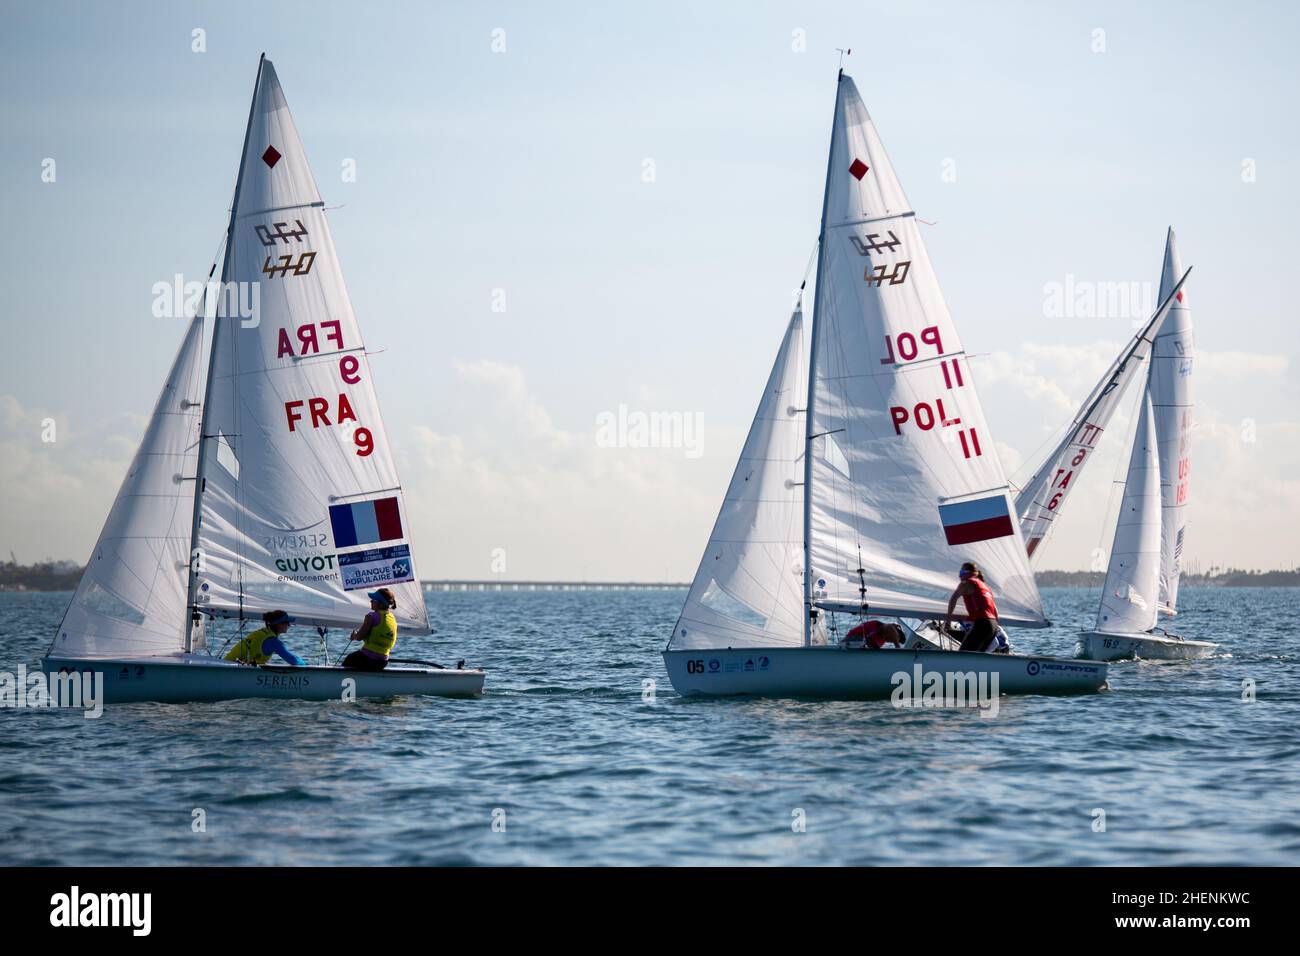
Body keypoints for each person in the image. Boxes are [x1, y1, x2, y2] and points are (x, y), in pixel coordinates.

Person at [943, 561, 999, 652]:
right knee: (977, 657)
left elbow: (953, 599)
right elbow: (994, 609)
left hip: (982, 624)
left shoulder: (967, 582)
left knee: (964, 655)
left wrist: (948, 620)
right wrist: (996, 626)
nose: (959, 576)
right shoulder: (984, 586)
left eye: (961, 573)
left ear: (969, 573)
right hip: (993, 625)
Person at [342, 588, 398, 671]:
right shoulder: (392, 618)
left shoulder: (371, 616)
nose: (371, 601)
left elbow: (360, 637)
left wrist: (354, 635)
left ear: (381, 604)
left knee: (350, 658)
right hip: (383, 662)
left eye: (373, 600)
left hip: (368, 659)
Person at [224, 610, 305, 665]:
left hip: (225, 664)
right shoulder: (273, 641)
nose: (289, 625)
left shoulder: (261, 633)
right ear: (279, 624)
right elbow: (293, 660)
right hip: (232, 669)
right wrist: (304, 664)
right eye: (287, 622)